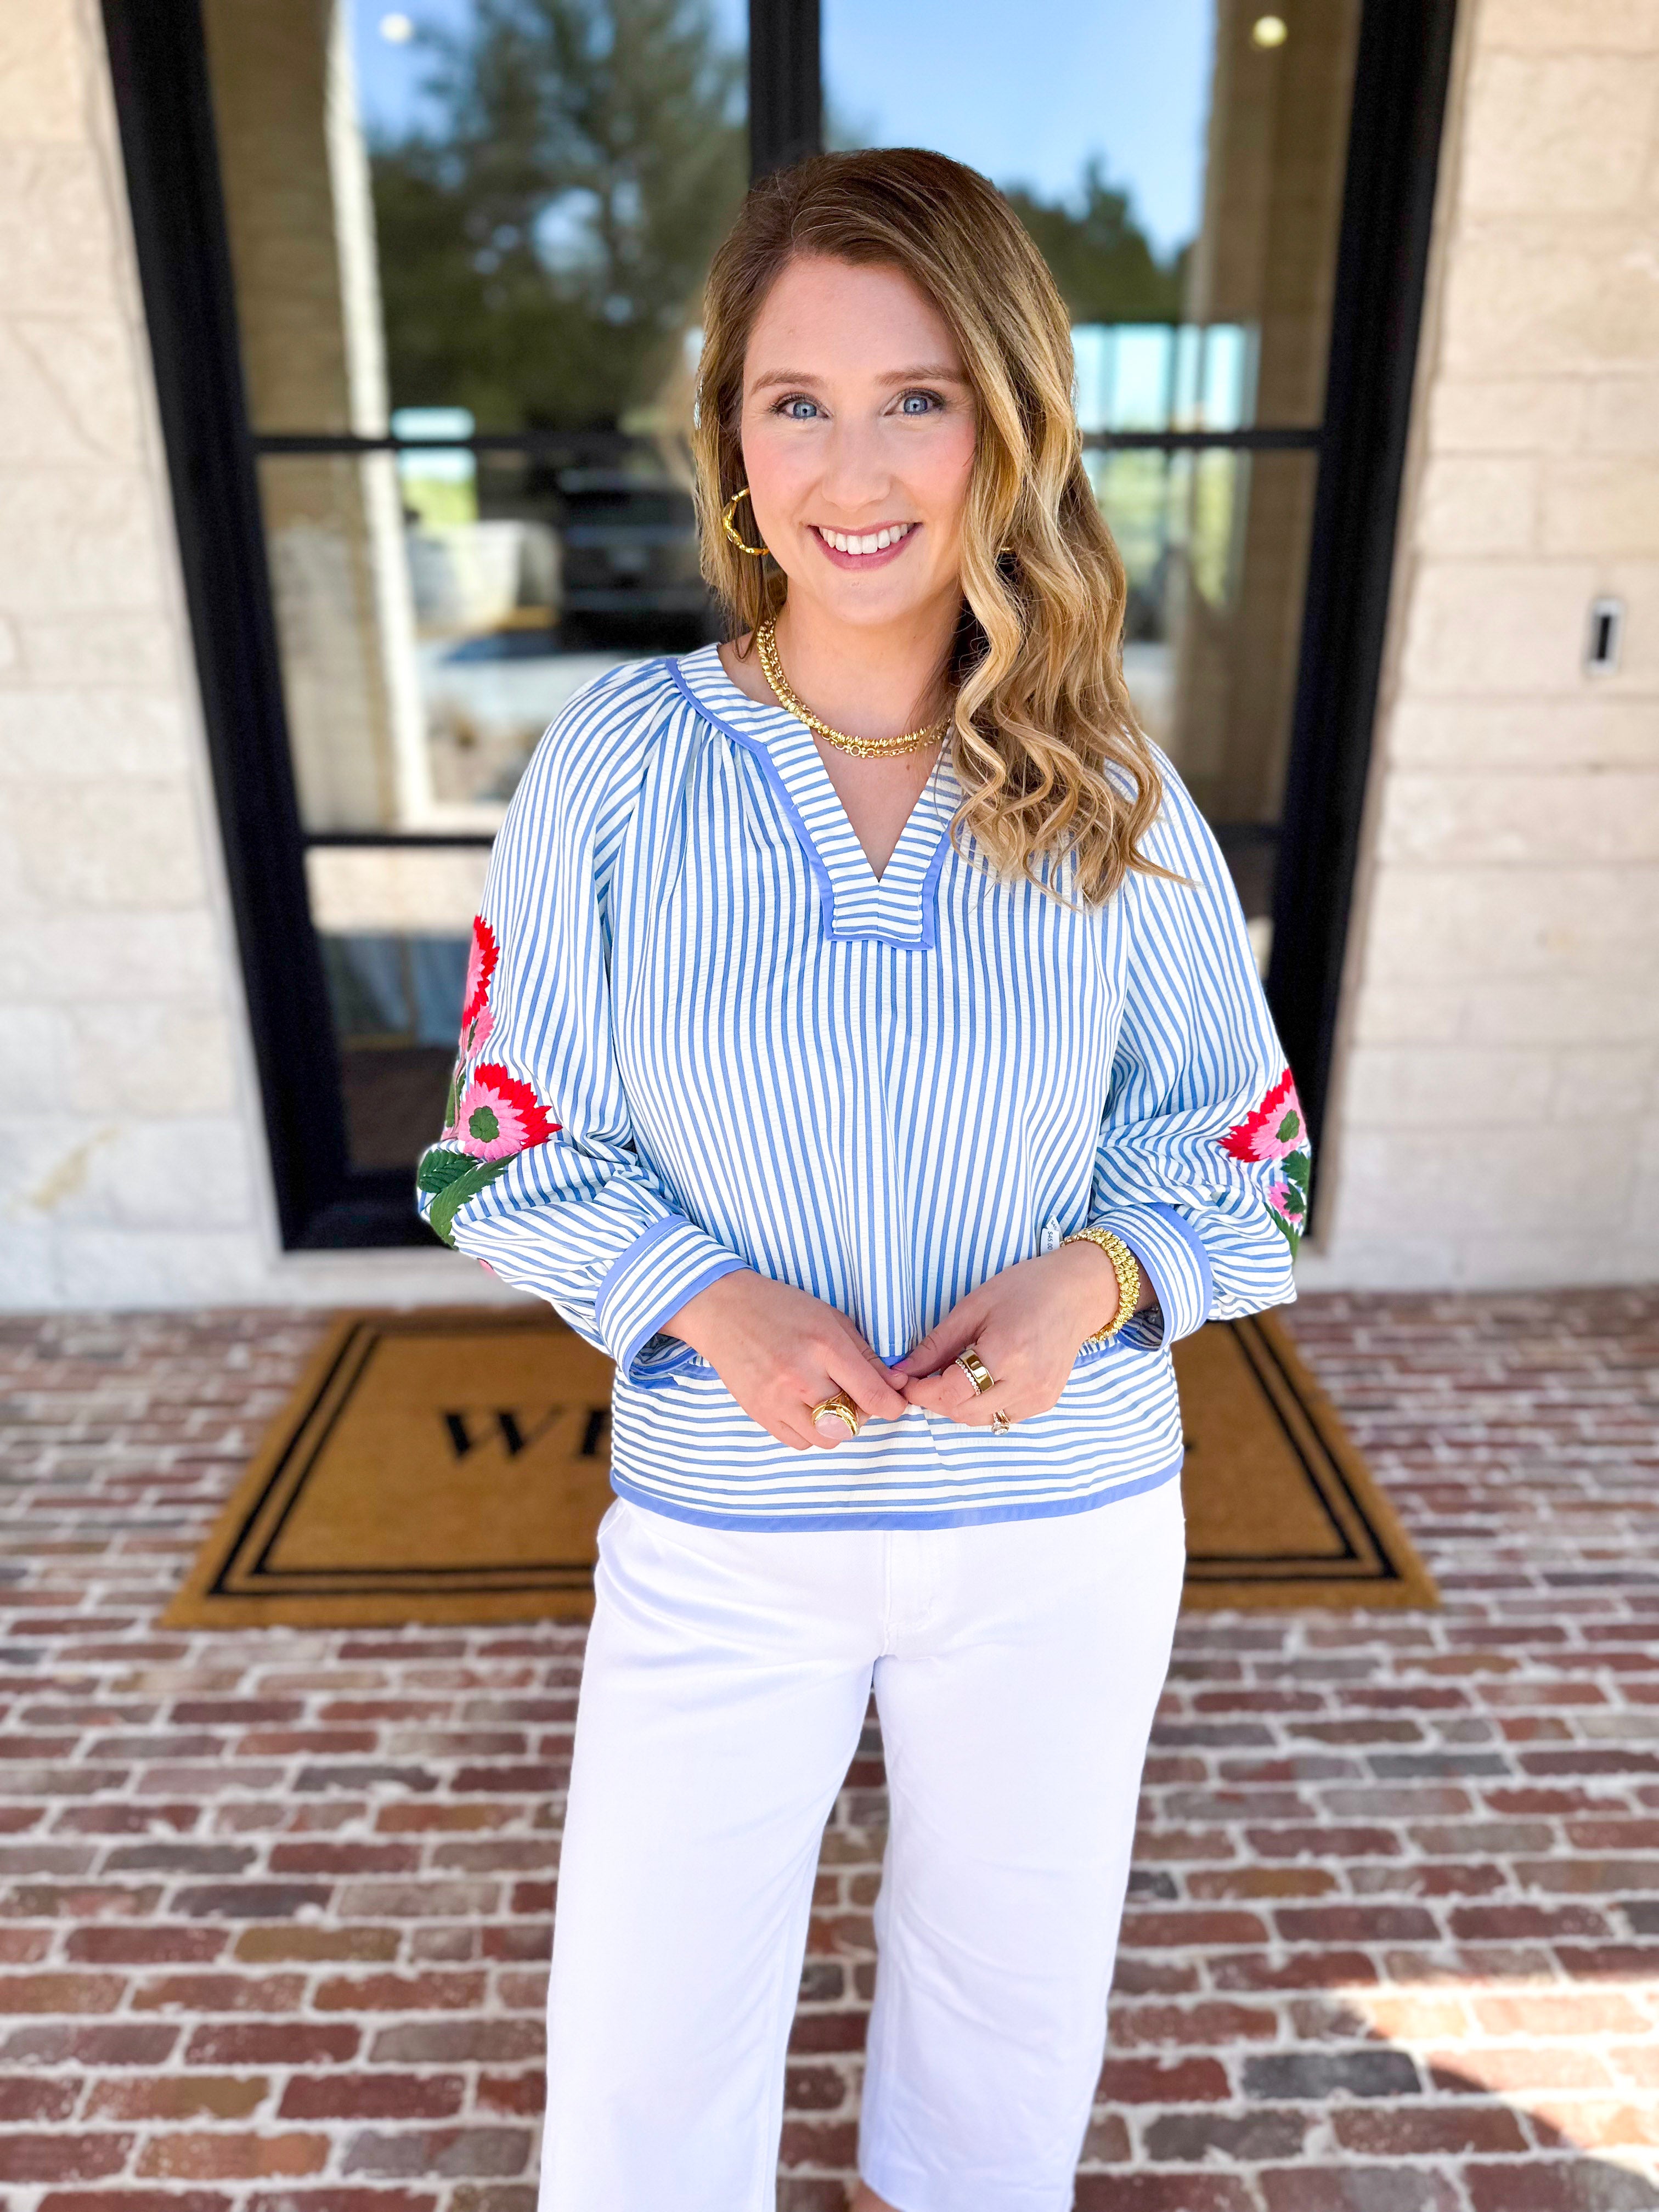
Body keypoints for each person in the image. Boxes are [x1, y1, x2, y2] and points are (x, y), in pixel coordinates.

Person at [417, 146, 1312, 2212]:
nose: (854, 467)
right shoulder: (622, 765)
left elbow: (1248, 1153)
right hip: (727, 1532)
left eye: (917, 397)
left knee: (1009, 2019)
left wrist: (1098, 1279)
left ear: (1008, 420)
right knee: (644, 2048)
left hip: (1064, 1530)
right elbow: (501, 1141)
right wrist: (704, 1299)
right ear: (732, 442)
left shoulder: (1111, 787)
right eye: (794, 401)